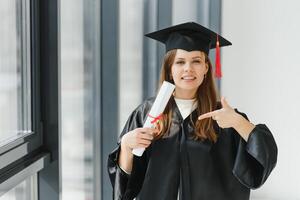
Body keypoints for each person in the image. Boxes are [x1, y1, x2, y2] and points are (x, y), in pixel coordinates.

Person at [107, 22, 278, 200]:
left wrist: (238, 122)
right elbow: (125, 188)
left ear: (205, 68)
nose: (188, 68)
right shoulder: (147, 113)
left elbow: (261, 164)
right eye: (180, 62)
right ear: (170, 69)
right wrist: (126, 146)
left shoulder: (224, 116)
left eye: (196, 61)